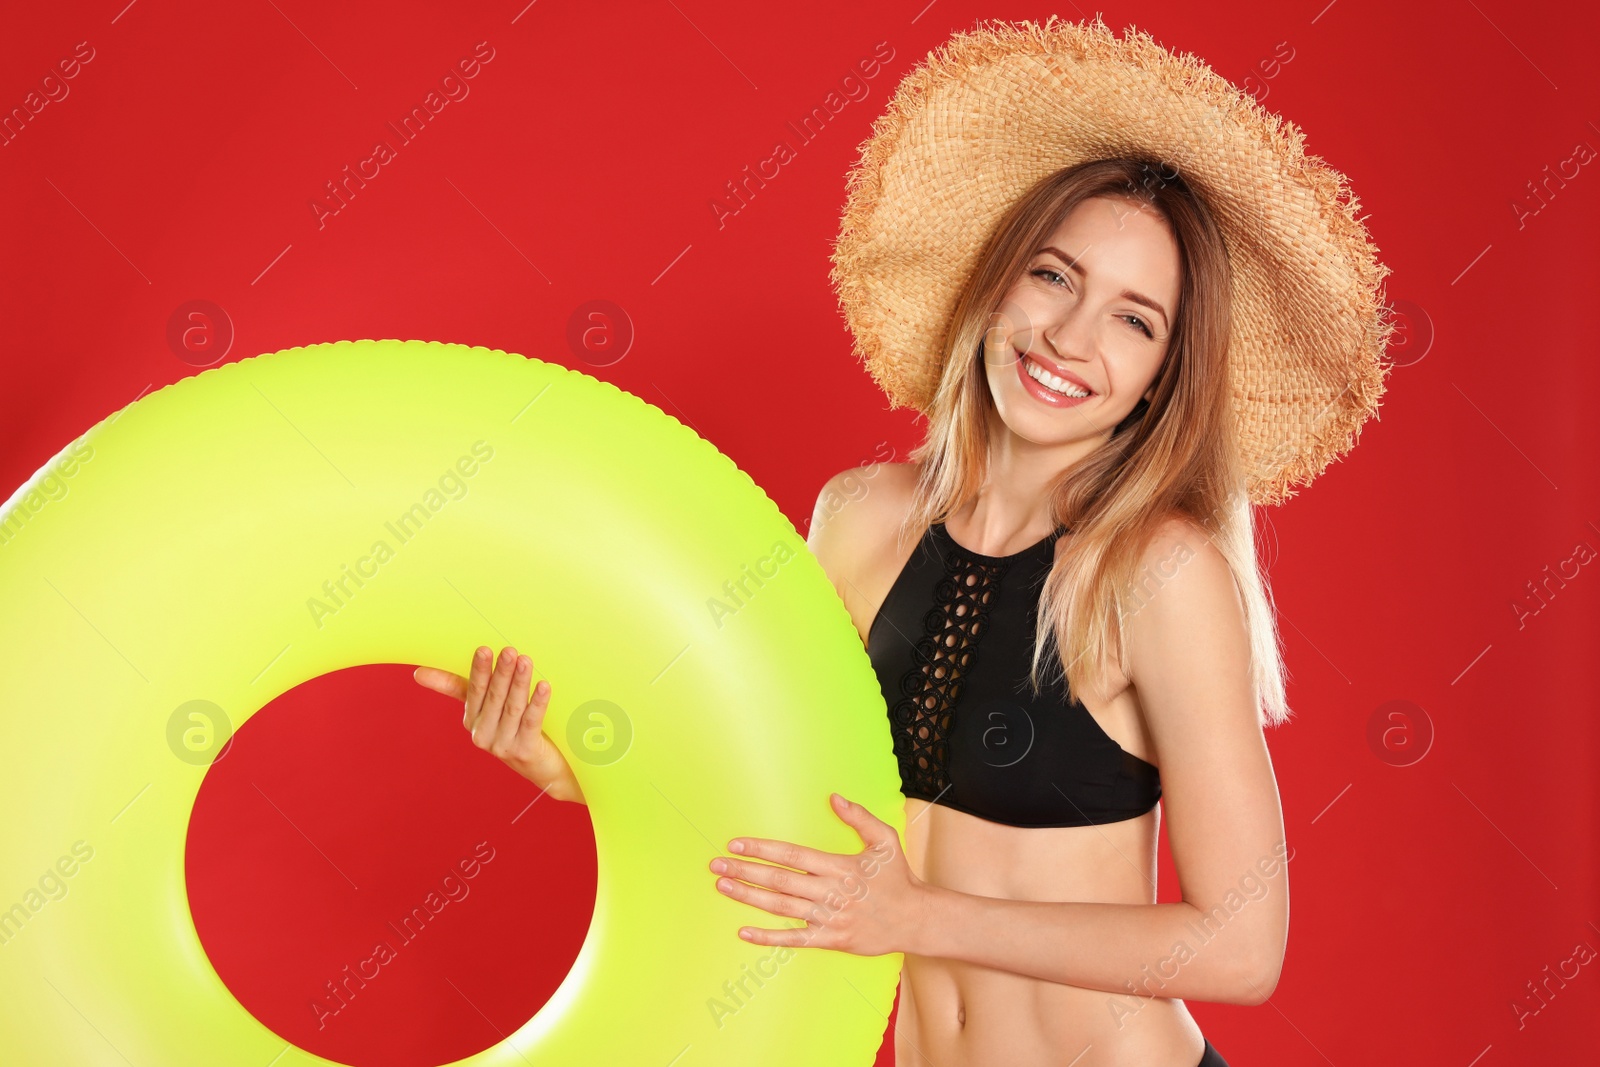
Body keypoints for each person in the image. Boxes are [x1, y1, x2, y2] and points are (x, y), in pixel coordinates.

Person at [414, 16, 1393, 1067]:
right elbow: (779, 784)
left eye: (1133, 319)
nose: (1069, 338)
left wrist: (916, 915)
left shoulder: (1159, 574)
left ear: (1163, 375)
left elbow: (1242, 945)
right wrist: (577, 765)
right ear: (996, 279)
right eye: (1054, 277)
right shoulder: (859, 518)